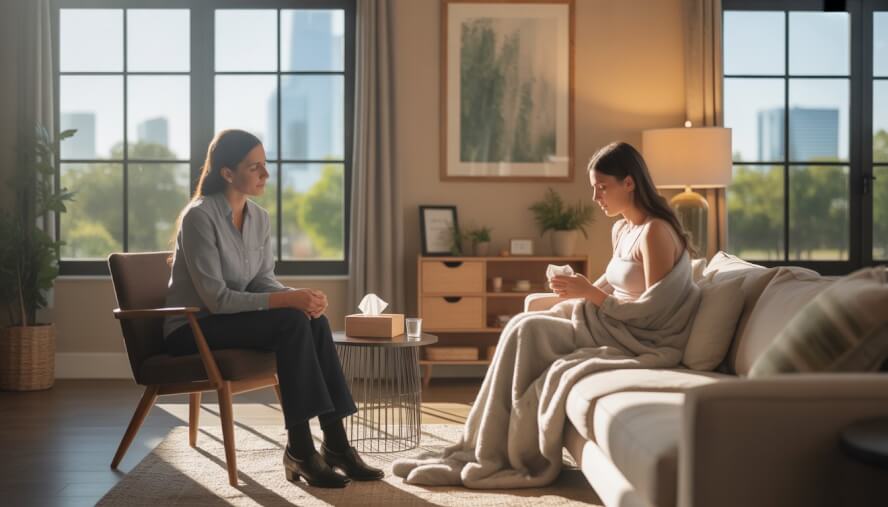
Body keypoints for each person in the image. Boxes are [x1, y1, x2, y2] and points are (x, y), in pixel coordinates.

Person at [392, 141, 701, 489]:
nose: (597, 197)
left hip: (639, 337)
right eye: (593, 188)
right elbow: (606, 285)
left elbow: (653, 311)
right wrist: (571, 288)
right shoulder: (622, 229)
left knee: (531, 330)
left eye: (603, 187)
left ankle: (507, 456)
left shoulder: (656, 231)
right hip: (611, 323)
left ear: (629, 183)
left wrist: (588, 294)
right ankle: (473, 447)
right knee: (522, 322)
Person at [163, 129, 383, 488]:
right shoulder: (199, 218)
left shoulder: (259, 218)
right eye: (255, 167)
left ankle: (336, 444)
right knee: (290, 322)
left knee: (312, 320)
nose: (266, 174)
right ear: (227, 173)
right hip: (193, 328)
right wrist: (286, 301)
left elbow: (262, 280)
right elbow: (216, 299)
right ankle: (300, 449)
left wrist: (300, 296)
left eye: (265, 165)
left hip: (230, 321)